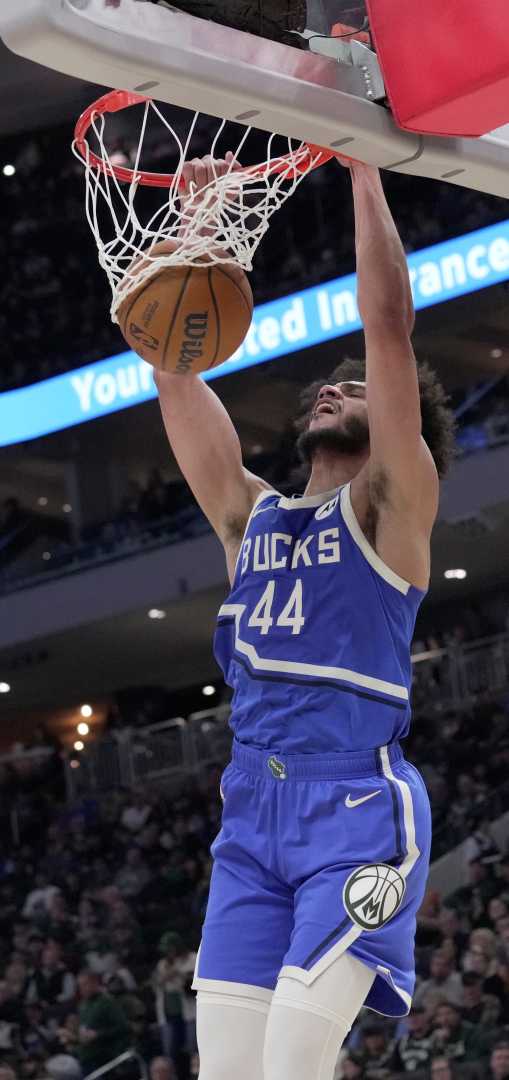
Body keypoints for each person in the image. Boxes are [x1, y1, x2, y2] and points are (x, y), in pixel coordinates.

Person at [154, 156, 456, 1080]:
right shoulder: (252, 519)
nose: (334, 388)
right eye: (325, 385)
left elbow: (389, 327)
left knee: (291, 1069)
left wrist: (362, 165)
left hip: (354, 811)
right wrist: (196, 226)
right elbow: (173, 370)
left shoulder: (387, 508)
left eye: (353, 388)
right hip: (251, 815)